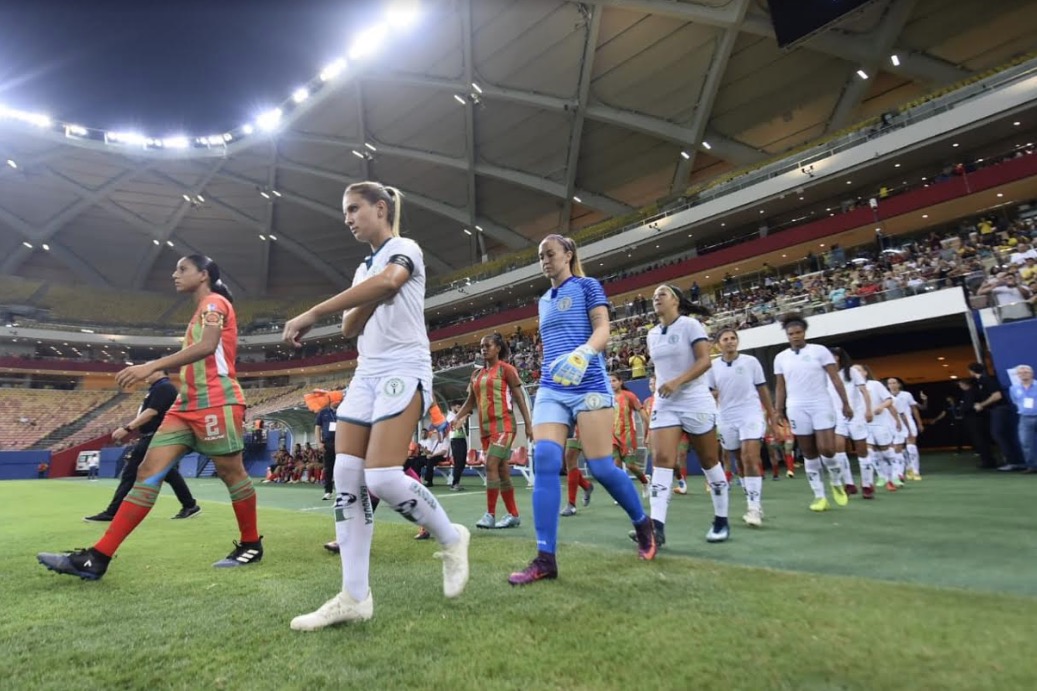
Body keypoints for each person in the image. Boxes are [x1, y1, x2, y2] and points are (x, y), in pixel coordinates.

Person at [283, 181, 468, 630]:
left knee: (382, 476)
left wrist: (313, 312)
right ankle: (355, 596)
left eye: (353, 209)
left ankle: (451, 536)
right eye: (344, 211)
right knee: (346, 475)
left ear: (380, 208)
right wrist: (368, 293)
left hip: (404, 365)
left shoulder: (405, 247)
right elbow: (350, 327)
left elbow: (391, 281)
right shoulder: (362, 268)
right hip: (366, 371)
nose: (347, 218)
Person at [38, 255, 260, 580]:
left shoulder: (215, 303)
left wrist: (153, 365)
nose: (175, 274)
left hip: (217, 402)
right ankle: (97, 558)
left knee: (231, 473)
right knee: (147, 473)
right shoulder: (200, 310)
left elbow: (208, 345)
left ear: (204, 274)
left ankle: (251, 544)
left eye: (182, 269)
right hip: (185, 406)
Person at [508, 234, 656, 586]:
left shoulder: (588, 285)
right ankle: (545, 558)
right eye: (540, 256)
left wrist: (584, 354)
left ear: (568, 255)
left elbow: (603, 328)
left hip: (589, 383)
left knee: (603, 467)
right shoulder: (543, 300)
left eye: (550, 254)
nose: (545, 260)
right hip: (552, 387)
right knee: (544, 459)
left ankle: (642, 523)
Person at [641, 284, 730, 549]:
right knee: (661, 460)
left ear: (676, 300)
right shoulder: (652, 334)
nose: (656, 297)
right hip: (666, 402)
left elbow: (704, 361)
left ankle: (722, 519)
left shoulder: (691, 326)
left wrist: (678, 381)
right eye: (654, 295)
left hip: (694, 399)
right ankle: (656, 527)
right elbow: (660, 367)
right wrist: (664, 385)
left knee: (709, 460)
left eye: (663, 294)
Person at [83, 370, 201, 522]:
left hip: (155, 436)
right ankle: (190, 505)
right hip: (156, 436)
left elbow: (151, 412)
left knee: (130, 473)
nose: (146, 375)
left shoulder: (164, 388)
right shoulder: (160, 388)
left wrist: (127, 428)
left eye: (149, 372)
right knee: (168, 473)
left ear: (159, 373)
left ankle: (113, 511)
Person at [773, 313, 853, 512]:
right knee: (809, 453)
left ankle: (836, 481)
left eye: (798, 332)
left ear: (804, 332)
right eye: (791, 333)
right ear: (787, 335)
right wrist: (778, 409)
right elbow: (780, 386)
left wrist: (845, 403)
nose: (795, 336)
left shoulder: (820, 351)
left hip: (821, 404)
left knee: (827, 449)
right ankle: (819, 496)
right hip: (796, 407)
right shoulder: (781, 357)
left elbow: (835, 379)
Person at [452, 331, 533, 529]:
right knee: (503, 471)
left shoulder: (507, 370)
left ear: (498, 348)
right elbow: (470, 402)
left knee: (490, 465)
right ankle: (513, 515)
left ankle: (490, 514)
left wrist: (529, 425)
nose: (484, 349)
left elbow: (519, 398)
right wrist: (457, 418)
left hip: (505, 426)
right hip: (485, 430)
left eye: (487, 345)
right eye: (481, 346)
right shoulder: (476, 375)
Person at [710, 327, 778, 527]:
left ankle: (753, 508)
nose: (730, 341)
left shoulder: (751, 362)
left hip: (750, 414)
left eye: (733, 338)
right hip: (726, 417)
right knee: (740, 460)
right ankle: (753, 499)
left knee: (750, 457)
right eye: (725, 339)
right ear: (718, 343)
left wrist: (771, 413)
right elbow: (709, 392)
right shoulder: (712, 366)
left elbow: (762, 388)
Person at [829, 349, 874, 498]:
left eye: (834, 356)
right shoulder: (825, 374)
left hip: (856, 415)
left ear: (839, 358)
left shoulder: (851, 372)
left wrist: (868, 410)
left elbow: (864, 392)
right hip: (837, 417)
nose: (832, 359)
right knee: (839, 450)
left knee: (862, 450)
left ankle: (867, 484)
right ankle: (849, 484)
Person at [969, 362, 1025, 471]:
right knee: (1001, 435)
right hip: (996, 410)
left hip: (999, 410)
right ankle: (1014, 461)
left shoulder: (987, 381)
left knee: (998, 434)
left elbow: (997, 396)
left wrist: (981, 404)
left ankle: (1013, 462)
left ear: (971, 371)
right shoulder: (981, 382)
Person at [856, 364, 900, 492]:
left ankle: (892, 478)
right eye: (853, 371)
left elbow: (889, 400)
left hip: (880, 423)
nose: (856, 373)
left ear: (865, 372)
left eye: (858, 370)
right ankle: (869, 481)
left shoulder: (875, 385)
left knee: (886, 453)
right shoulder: (852, 387)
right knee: (868, 453)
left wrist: (880, 407)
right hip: (863, 424)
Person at [610, 373, 649, 497]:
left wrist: (651, 427)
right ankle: (622, 493)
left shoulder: (629, 396)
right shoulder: (606, 397)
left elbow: (641, 410)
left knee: (630, 465)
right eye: (609, 381)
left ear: (620, 382)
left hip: (627, 435)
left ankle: (645, 481)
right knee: (616, 465)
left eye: (614, 380)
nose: (611, 383)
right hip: (612, 436)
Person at [886, 377, 924, 481]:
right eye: (890, 383)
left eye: (894, 383)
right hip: (894, 425)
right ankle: (907, 468)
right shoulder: (886, 396)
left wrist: (919, 423)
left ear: (899, 384)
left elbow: (914, 409)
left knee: (911, 447)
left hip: (908, 422)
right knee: (899, 449)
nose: (892, 385)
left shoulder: (906, 395)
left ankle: (916, 471)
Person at [1008, 364, 1037, 473]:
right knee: (1026, 442)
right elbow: (1015, 401)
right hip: (1024, 418)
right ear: (1017, 375)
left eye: (1026, 372)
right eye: (1021, 373)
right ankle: (1032, 466)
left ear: (1031, 373)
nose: (1023, 374)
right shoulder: (1013, 388)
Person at [316, 398, 337, 500]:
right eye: (335, 400)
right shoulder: (323, 412)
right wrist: (319, 442)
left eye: (339, 400)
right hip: (328, 443)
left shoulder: (345, 410)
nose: (337, 402)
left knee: (342, 468)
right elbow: (317, 427)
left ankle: (343, 492)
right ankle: (328, 491)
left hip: (342, 442)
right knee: (328, 468)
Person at [446, 401, 469, 492]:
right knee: (458, 462)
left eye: (461, 407)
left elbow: (464, 427)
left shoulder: (459, 416)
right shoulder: (450, 416)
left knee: (462, 462)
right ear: (453, 407)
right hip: (455, 440)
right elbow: (457, 426)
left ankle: (457, 483)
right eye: (458, 407)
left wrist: (464, 419)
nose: (460, 409)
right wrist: (465, 416)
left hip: (462, 439)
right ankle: (454, 484)